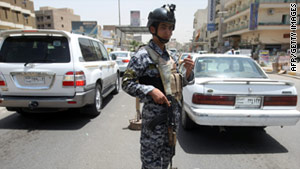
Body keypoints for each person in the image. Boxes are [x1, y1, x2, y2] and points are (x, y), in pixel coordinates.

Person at [122, 4, 194, 169]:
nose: (167, 32)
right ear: (153, 28)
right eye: (163, 27)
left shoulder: (171, 57)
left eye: (170, 28)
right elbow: (126, 83)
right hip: (154, 125)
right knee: (151, 164)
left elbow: (176, 84)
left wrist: (188, 73)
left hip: (171, 122)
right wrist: (150, 90)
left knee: (166, 162)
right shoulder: (142, 56)